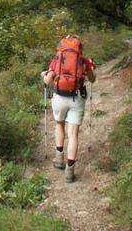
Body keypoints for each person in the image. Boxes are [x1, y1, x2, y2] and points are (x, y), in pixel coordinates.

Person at [42, 34, 95, 183]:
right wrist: (89, 67)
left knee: (59, 124)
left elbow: (47, 81)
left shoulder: (57, 60)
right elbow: (92, 79)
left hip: (59, 97)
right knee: (73, 134)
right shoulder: (83, 61)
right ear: (79, 47)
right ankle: (70, 171)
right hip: (76, 98)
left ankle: (59, 158)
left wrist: (44, 75)